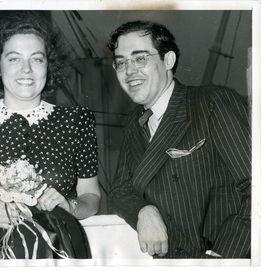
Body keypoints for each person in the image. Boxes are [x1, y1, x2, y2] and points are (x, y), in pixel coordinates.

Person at [0, 12, 100, 260]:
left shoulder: (76, 121)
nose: (26, 69)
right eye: (14, 58)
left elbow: (91, 197)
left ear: (49, 64)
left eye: (37, 59)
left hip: (62, 252)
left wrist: (71, 206)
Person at [107, 20, 251, 258]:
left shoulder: (211, 103)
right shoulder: (135, 123)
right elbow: (119, 190)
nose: (129, 71)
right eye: (121, 63)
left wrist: (221, 258)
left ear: (169, 61)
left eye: (140, 58)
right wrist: (143, 211)